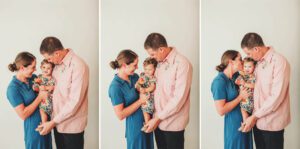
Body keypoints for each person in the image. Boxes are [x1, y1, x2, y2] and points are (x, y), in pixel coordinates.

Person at [37, 36, 89, 149]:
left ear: (57, 53)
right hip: (57, 124)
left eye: (49, 58)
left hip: (71, 127)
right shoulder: (56, 65)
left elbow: (74, 101)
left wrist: (52, 122)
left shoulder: (78, 66)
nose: (49, 62)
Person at [241, 32, 291, 149]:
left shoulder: (279, 62)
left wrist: (254, 117)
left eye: (249, 53)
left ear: (256, 48)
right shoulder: (257, 64)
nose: (249, 56)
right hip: (257, 123)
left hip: (271, 125)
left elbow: (276, 97)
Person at [143, 33, 193, 149]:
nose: (151, 57)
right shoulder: (158, 64)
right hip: (157, 123)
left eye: (153, 54)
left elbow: (178, 98)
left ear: (161, 49)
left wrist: (156, 119)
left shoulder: (182, 64)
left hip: (172, 124)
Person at [108, 49, 154, 149]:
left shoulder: (135, 77)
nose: (137, 67)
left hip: (148, 123)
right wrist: (140, 101)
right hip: (136, 128)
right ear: (124, 65)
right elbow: (120, 115)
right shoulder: (115, 87)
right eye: (134, 65)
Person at [6, 52, 52, 149]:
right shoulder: (13, 89)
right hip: (34, 130)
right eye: (33, 67)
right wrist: (40, 97)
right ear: (22, 68)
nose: (35, 69)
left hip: (46, 125)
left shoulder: (34, 78)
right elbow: (23, 114)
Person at [211, 50, 253, 149]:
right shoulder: (219, 82)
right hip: (234, 127)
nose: (242, 62)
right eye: (240, 59)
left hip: (246, 123)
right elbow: (221, 111)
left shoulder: (236, 76)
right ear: (231, 62)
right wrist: (240, 97)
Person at [135, 57, 158, 131]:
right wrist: (138, 86)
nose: (147, 71)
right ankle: (147, 124)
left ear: (154, 69)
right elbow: (139, 83)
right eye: (145, 69)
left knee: (146, 111)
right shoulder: (142, 75)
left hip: (149, 97)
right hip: (143, 95)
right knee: (144, 111)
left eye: (150, 69)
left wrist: (145, 90)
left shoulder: (152, 77)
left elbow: (152, 87)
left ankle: (147, 125)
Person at [33, 59, 55, 131]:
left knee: (44, 111)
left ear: (52, 69)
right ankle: (43, 124)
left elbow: (53, 87)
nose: (46, 69)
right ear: (41, 67)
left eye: (49, 68)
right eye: (44, 67)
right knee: (42, 112)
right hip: (42, 100)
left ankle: (45, 124)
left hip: (49, 100)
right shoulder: (39, 77)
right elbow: (36, 86)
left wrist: (45, 87)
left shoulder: (52, 78)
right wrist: (36, 86)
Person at [235, 57, 256, 131]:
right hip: (244, 100)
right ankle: (245, 124)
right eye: (245, 66)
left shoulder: (253, 76)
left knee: (244, 110)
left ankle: (246, 125)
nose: (247, 68)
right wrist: (238, 81)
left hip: (250, 99)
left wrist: (244, 83)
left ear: (254, 67)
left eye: (250, 66)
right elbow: (237, 81)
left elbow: (254, 85)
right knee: (243, 111)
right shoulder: (243, 75)